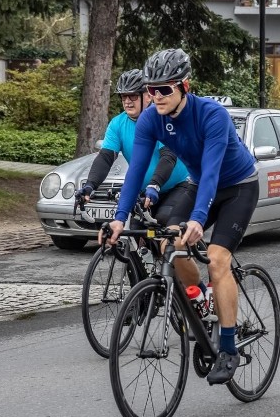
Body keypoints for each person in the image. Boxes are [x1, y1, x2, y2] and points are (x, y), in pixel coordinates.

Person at [102, 48, 259, 386]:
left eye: (164, 89)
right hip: (199, 184)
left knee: (217, 260)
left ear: (185, 86)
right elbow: (136, 173)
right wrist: (118, 218)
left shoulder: (212, 115)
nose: (155, 96)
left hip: (237, 187)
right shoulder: (150, 119)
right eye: (150, 89)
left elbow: (214, 171)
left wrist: (199, 218)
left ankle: (229, 347)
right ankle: (199, 298)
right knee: (165, 241)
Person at [77, 69, 194, 227]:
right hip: (144, 190)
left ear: (147, 96)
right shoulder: (117, 124)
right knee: (133, 231)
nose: (127, 101)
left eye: (132, 95)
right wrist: (90, 185)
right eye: (123, 96)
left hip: (177, 186)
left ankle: (177, 251)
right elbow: (105, 158)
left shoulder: (162, 118)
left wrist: (154, 184)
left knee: (164, 222)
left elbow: (168, 157)